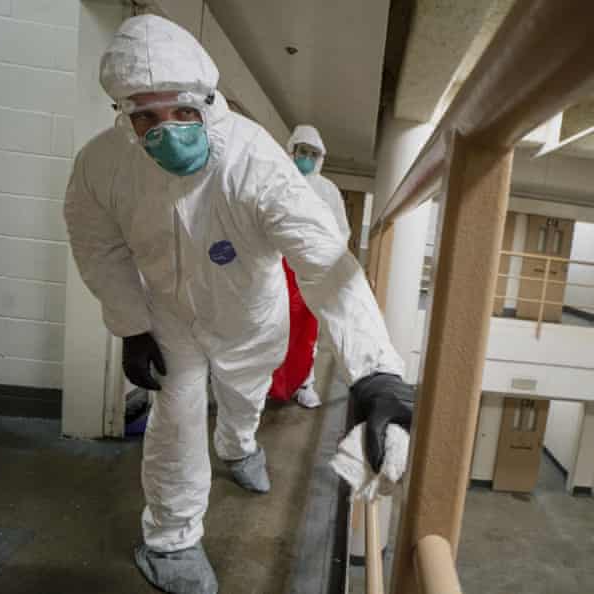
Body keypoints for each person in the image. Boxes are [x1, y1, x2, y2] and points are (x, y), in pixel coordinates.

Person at [63, 15, 412, 594]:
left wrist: (375, 370)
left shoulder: (254, 162)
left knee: (241, 401)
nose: (165, 131)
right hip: (169, 317)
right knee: (174, 419)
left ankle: (239, 444)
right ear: (123, 116)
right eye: (144, 116)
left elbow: (325, 263)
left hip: (251, 318)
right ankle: (171, 540)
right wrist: (129, 323)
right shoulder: (104, 165)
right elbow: (97, 247)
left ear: (207, 100)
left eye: (179, 111)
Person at [268, 125, 350, 409]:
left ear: (320, 158)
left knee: (306, 331)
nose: (306, 157)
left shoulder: (327, 190)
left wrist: (328, 262)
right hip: (274, 267)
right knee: (269, 327)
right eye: (302, 151)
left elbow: (341, 230)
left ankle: (304, 384)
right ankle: (265, 384)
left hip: (310, 269)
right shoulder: (276, 180)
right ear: (291, 150)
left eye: (312, 153)